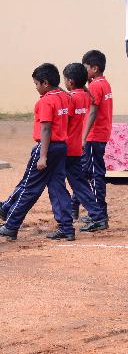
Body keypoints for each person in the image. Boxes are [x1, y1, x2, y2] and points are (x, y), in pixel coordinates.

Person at [0, 64, 74, 241]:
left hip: (46, 147)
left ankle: (11, 224)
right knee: (58, 187)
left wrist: (42, 156)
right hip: (61, 147)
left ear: (45, 83)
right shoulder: (64, 97)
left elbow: (46, 129)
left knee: (29, 187)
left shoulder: (45, 101)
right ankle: (67, 227)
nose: (36, 88)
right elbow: (65, 94)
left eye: (36, 84)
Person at [63, 63, 107, 233]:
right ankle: (94, 214)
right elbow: (94, 102)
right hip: (77, 146)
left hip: (68, 146)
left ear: (71, 82)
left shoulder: (71, 98)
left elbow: (64, 123)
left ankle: (69, 220)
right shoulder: (86, 96)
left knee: (57, 183)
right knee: (79, 181)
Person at [76, 50, 113, 229]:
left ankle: (99, 213)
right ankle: (78, 207)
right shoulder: (102, 84)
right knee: (84, 172)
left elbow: (92, 111)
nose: (84, 72)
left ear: (95, 68)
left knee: (94, 173)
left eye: (85, 68)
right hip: (100, 134)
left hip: (94, 135)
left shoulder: (96, 86)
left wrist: (83, 138)